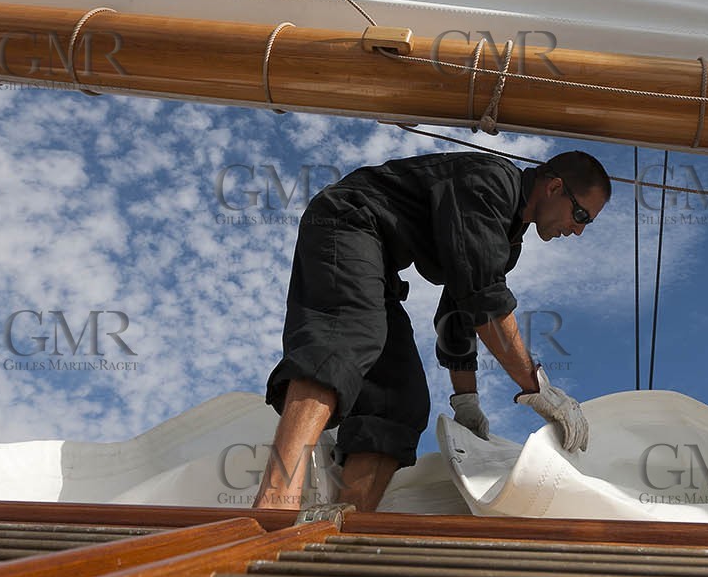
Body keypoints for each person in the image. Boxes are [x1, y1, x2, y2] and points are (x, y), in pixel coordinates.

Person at [253, 148, 611, 514]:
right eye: (580, 214)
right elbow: (485, 302)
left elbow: (460, 311)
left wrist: (466, 403)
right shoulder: (490, 182)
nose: (579, 230)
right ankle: (274, 503)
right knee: (348, 338)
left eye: (587, 223)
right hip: (348, 222)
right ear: (553, 188)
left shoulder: (508, 240)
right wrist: (538, 390)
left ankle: (345, 519)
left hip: (381, 265)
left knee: (400, 399)